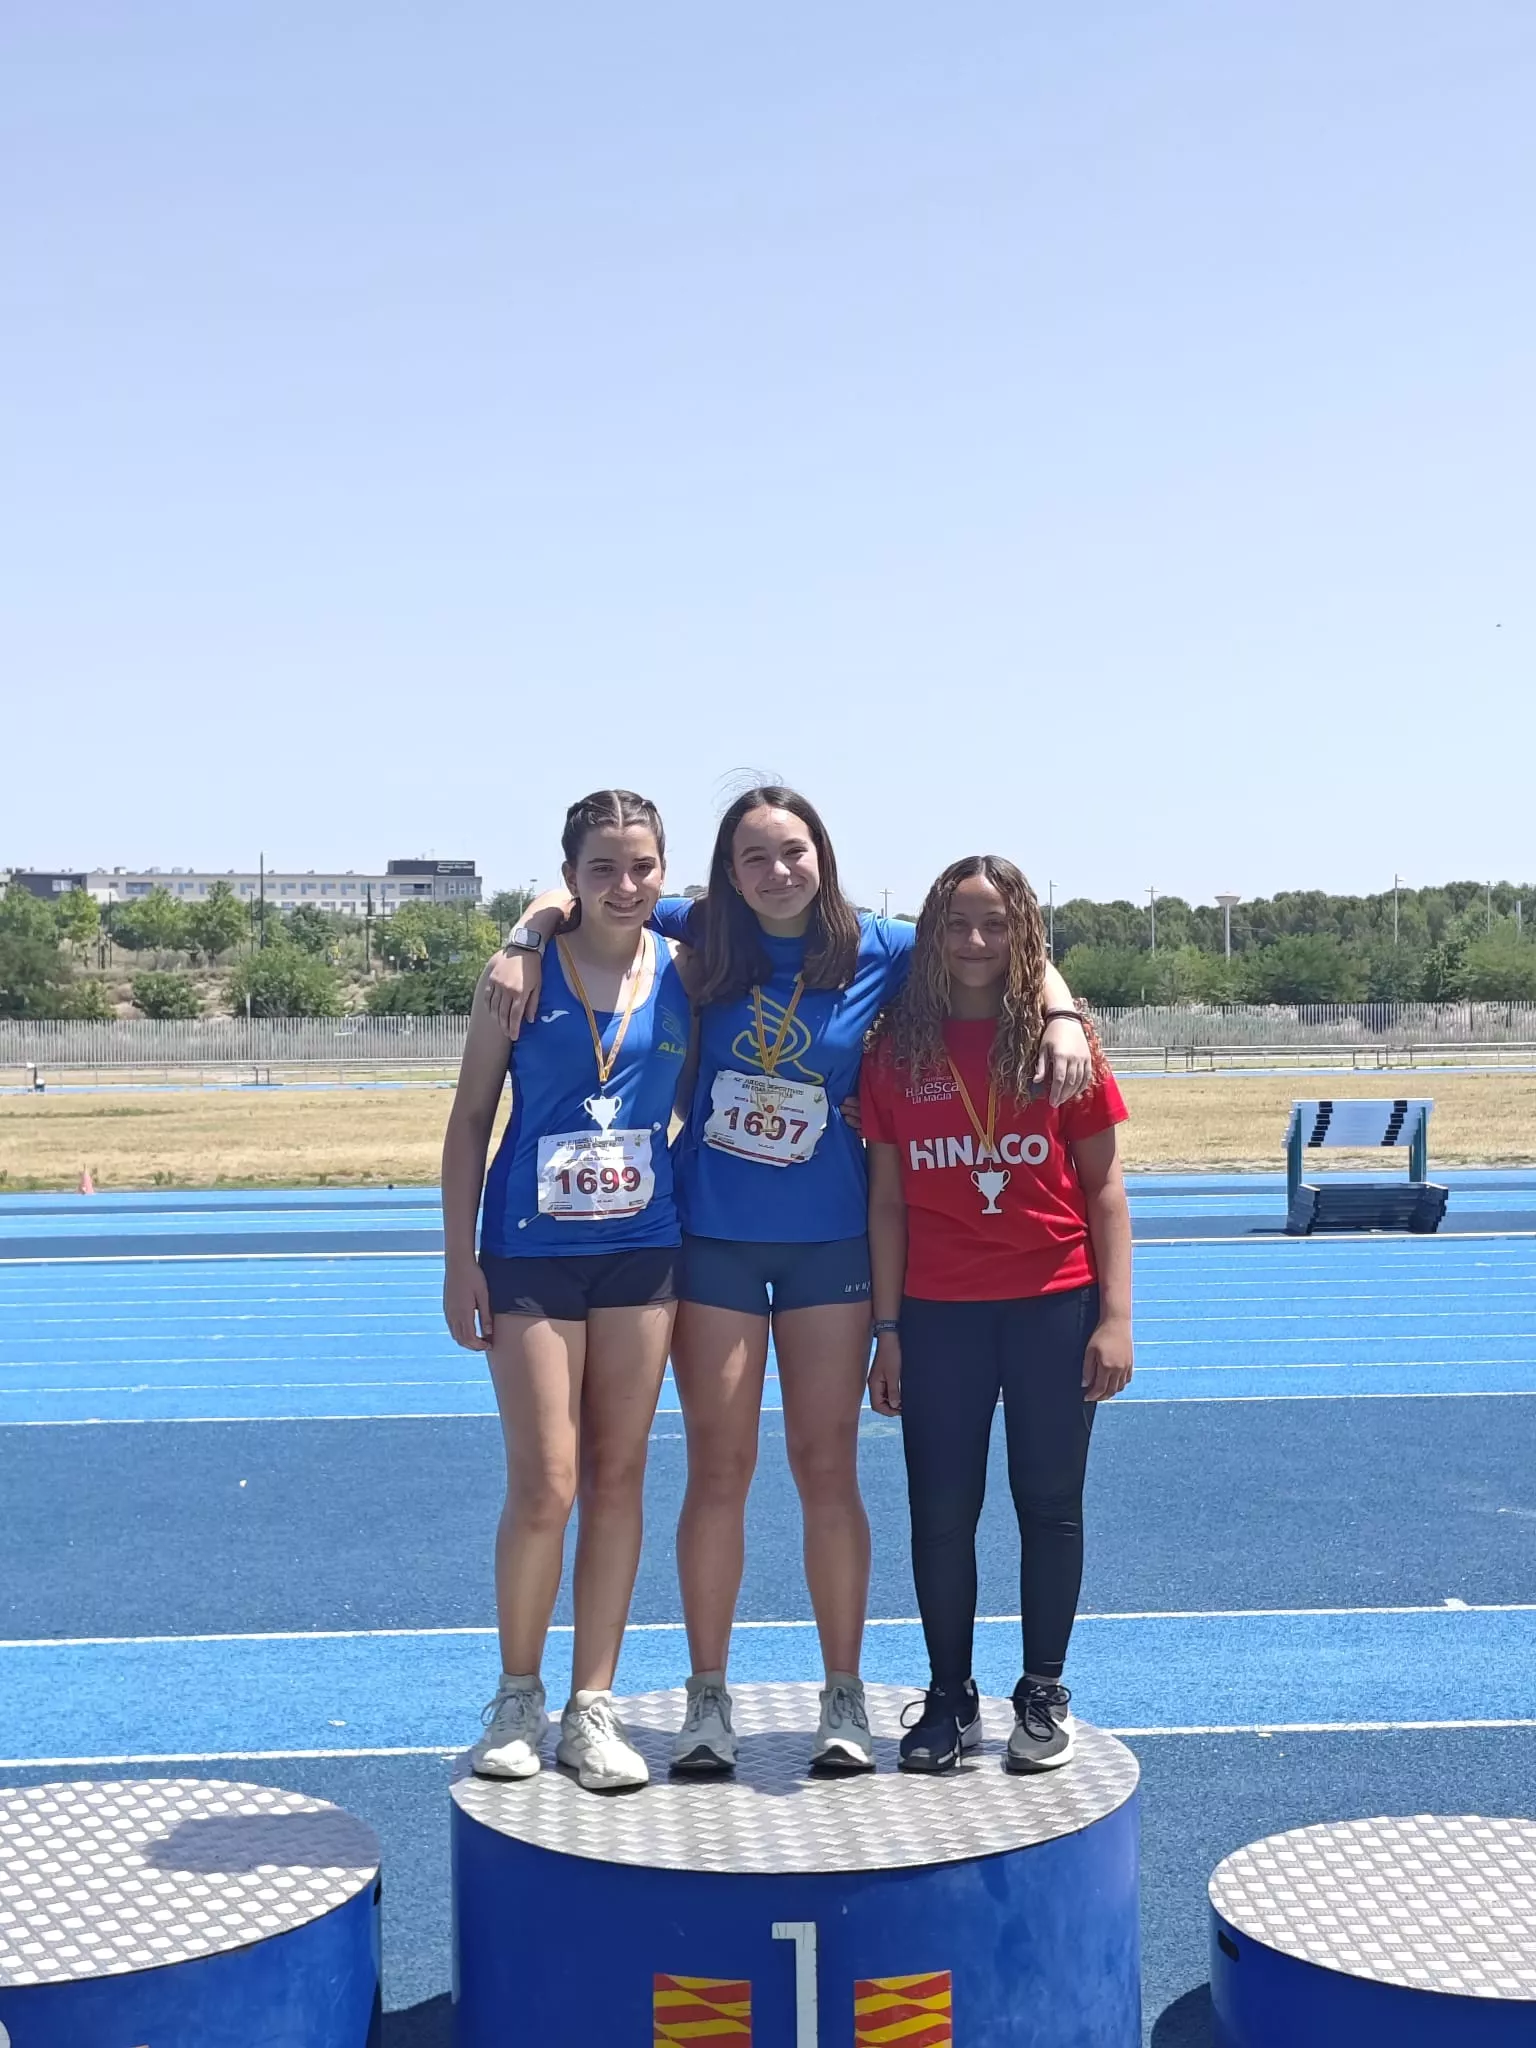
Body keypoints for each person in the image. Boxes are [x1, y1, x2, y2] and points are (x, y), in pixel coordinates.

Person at [485, 788, 1093, 1775]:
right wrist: (521, 937)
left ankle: (842, 1693)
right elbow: (576, 900)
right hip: (715, 1239)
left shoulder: (881, 945)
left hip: (831, 1244)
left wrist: (1059, 1010)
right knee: (719, 1468)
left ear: (823, 855)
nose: (777, 873)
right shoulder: (698, 933)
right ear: (727, 872)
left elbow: (1002, 938)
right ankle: (708, 1696)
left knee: (825, 1464)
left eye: (793, 852)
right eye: (754, 857)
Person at [442, 790, 693, 1792]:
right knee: (547, 1480)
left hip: (644, 1250)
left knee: (619, 1475)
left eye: (642, 866)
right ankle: (517, 1697)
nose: (624, 885)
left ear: (664, 869)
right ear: (569, 876)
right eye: (602, 868)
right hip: (530, 1254)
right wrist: (458, 1259)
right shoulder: (518, 974)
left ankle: (594, 1705)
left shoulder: (688, 969)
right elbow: (469, 1120)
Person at [859, 855, 1133, 1774]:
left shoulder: (1066, 1046)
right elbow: (886, 1203)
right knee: (941, 1512)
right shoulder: (895, 1052)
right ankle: (949, 1697)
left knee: (1049, 1504)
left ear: (1025, 935)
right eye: (956, 924)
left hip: (1054, 1305)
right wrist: (887, 1332)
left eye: (996, 924)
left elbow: (1105, 1192)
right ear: (930, 936)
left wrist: (1116, 1318)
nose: (975, 942)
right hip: (938, 1315)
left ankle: (1043, 1690)